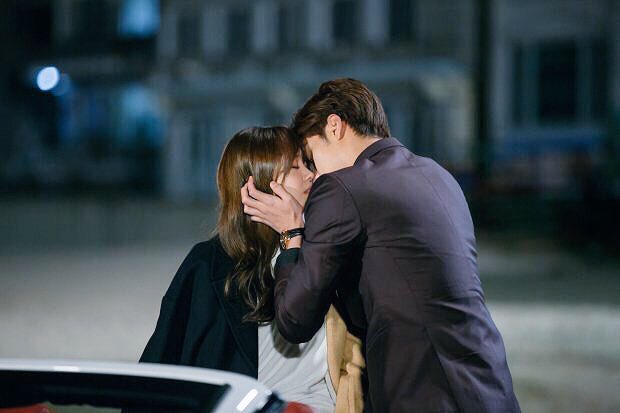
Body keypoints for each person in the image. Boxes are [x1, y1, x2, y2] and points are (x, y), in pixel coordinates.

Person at [241, 79, 521, 412]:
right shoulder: (438, 175)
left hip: (422, 393)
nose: (315, 175)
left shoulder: (342, 187)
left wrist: (291, 233)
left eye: (312, 158)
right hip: (487, 383)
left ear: (334, 126)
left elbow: (294, 321)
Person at [139, 127, 365, 413]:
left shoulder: (328, 249)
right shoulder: (210, 263)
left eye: (308, 164)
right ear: (259, 184)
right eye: (296, 167)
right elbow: (163, 363)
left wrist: (293, 236)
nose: (311, 175)